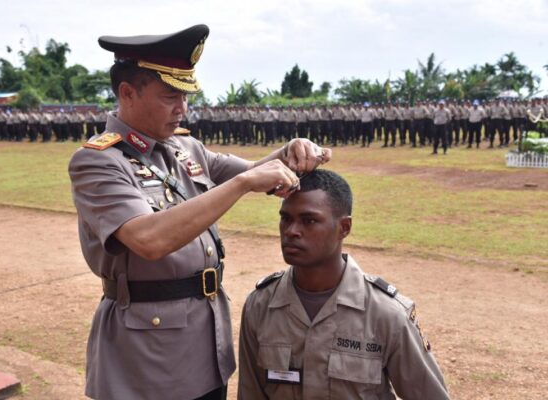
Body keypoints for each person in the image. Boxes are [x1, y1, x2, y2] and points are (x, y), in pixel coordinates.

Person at [68, 24, 330, 400]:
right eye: (170, 95)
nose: (182, 108)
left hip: (204, 340)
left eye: (186, 96)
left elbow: (258, 171)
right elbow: (149, 238)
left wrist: (291, 151)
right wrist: (242, 185)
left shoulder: (183, 149)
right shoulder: (99, 162)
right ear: (127, 93)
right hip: (146, 355)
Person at [238, 169, 449, 400]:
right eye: (286, 218)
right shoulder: (260, 306)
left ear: (344, 228)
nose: (291, 231)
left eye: (309, 220)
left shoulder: (385, 314)